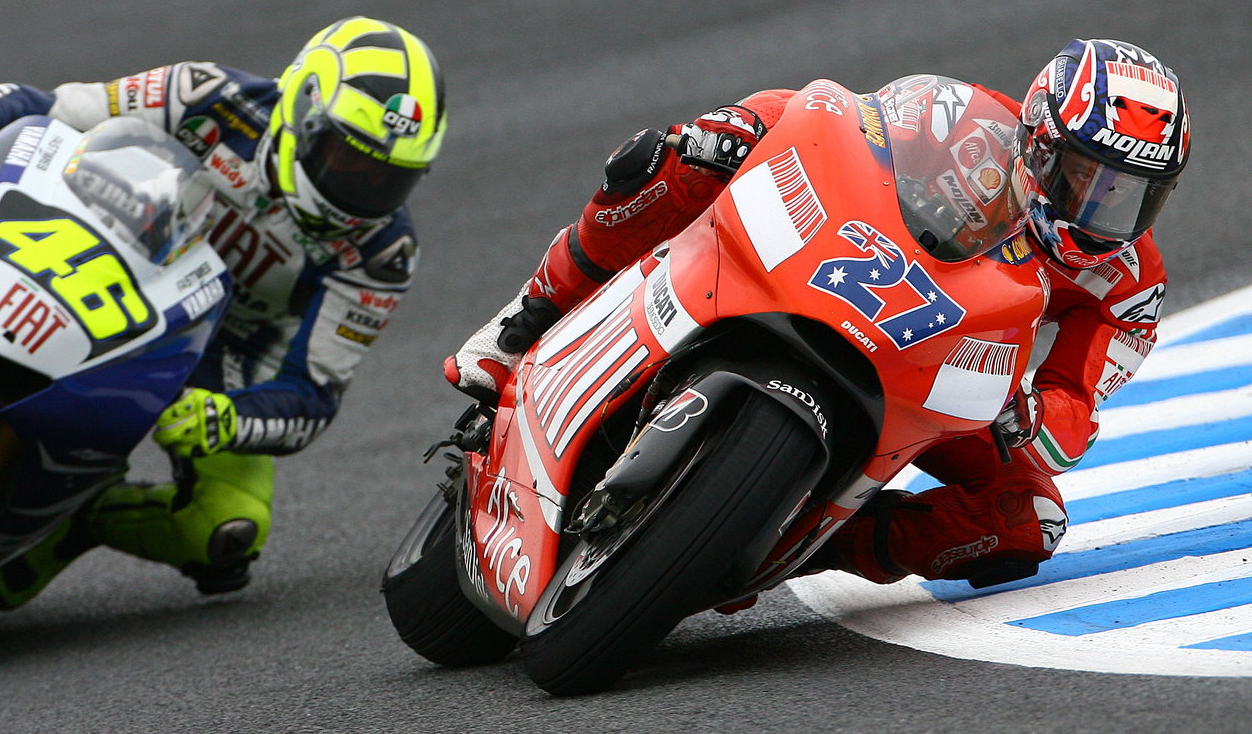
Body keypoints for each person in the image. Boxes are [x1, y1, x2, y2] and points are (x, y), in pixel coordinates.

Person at [446, 38, 1188, 589]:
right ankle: (525, 320)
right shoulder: (959, 118)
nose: (1100, 209)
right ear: (1038, 141)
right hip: (854, 272)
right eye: (1086, 178)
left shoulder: (1129, 286)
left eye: (1129, 194)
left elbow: (1074, 408)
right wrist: (727, 133)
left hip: (954, 382)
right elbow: (828, 118)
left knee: (1033, 520)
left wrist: (1030, 414)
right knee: (664, 162)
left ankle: (802, 542)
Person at [0, 16, 447, 602]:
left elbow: (315, 392)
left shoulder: (384, 252)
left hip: (215, 358)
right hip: (107, 256)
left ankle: (75, 517)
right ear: (301, 110)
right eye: (347, 158)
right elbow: (42, 110)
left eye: (391, 176)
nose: (364, 186)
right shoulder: (206, 95)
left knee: (226, 528)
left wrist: (229, 418)